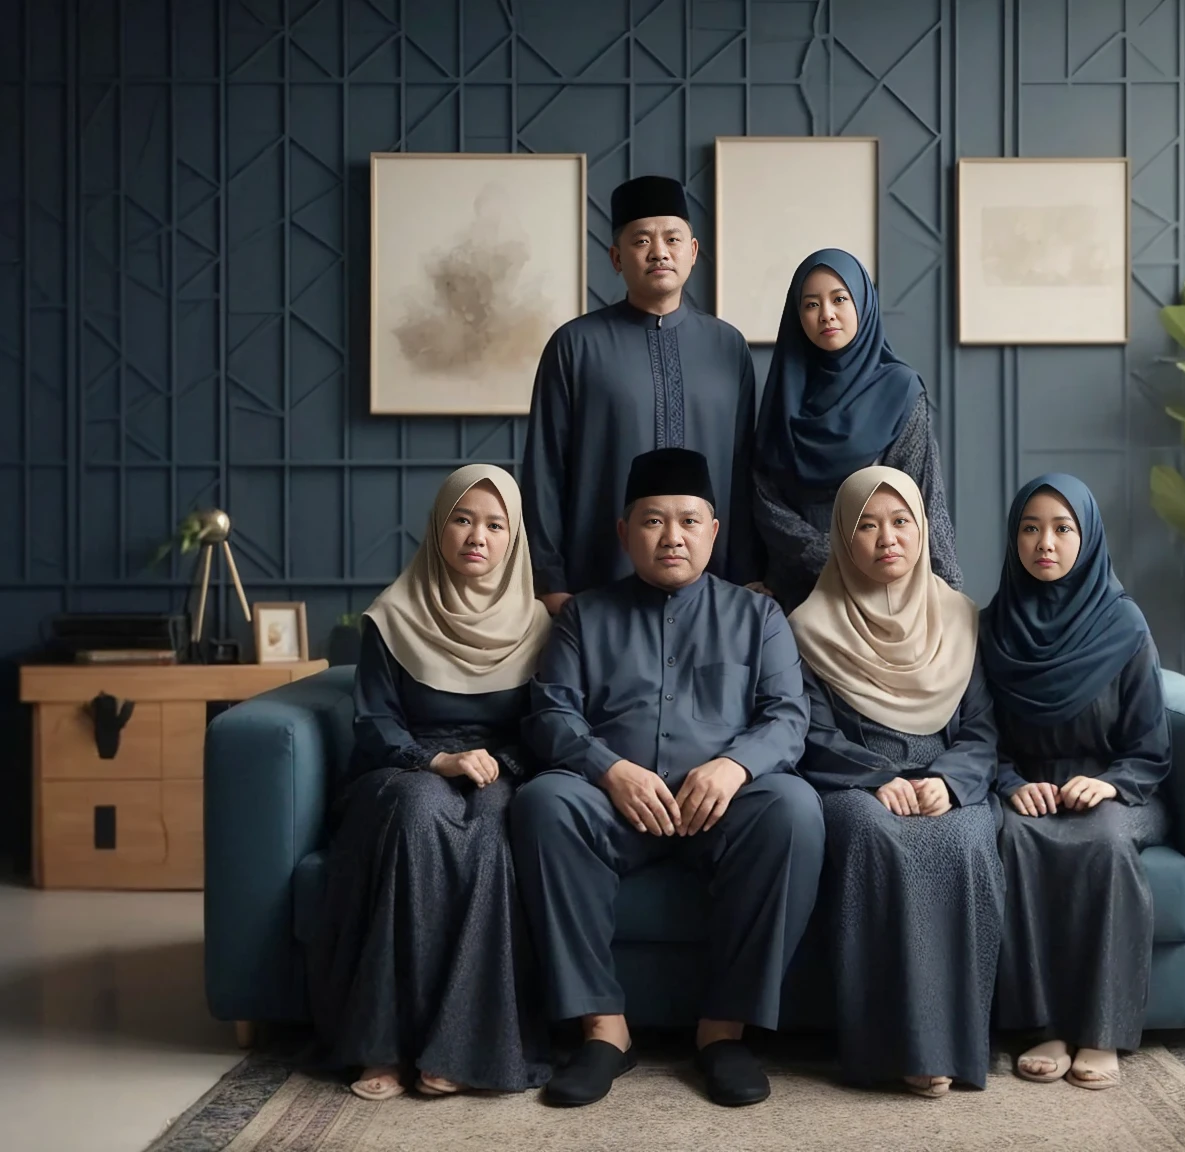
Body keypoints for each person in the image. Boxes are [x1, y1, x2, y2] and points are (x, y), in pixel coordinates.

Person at [510, 448, 824, 1109]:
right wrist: (610, 769)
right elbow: (552, 714)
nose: (672, 537)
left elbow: (788, 719)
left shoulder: (758, 617)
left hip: (724, 810)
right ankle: (603, 1030)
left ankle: (724, 1033)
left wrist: (733, 766)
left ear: (714, 529)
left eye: (688, 521)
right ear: (624, 533)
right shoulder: (584, 617)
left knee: (793, 807)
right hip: (613, 806)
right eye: (653, 521)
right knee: (544, 802)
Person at [308, 465, 553, 1099]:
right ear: (437, 530)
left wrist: (498, 762)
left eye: (495, 525)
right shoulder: (392, 616)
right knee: (419, 813)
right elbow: (373, 722)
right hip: (402, 768)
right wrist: (434, 761)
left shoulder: (539, 627)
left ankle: (460, 1047)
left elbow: (545, 724)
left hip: (500, 768)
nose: (478, 536)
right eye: (462, 520)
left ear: (514, 538)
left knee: (497, 821)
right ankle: (382, 1046)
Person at [789, 466, 1004, 1098]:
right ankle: (894, 1050)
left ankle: (956, 1046)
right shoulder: (809, 626)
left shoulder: (961, 618)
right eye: (868, 525)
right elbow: (812, 733)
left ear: (922, 531)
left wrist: (952, 781)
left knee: (966, 841)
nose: (888, 538)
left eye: (902, 521)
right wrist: (878, 778)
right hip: (855, 783)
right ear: (842, 538)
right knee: (872, 839)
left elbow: (983, 727)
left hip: (946, 780)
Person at [981, 474, 1172, 1092]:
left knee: (1105, 842)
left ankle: (1102, 1030)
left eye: (1063, 529)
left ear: (1086, 538)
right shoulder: (994, 627)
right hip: (1028, 790)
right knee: (1015, 840)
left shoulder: (1124, 625)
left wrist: (1110, 784)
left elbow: (1150, 745)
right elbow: (979, 732)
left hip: (1120, 790)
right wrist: (1011, 782)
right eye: (1030, 529)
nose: (1046, 543)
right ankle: (1046, 1026)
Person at [520, 175, 762, 613]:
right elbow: (544, 471)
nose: (659, 252)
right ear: (616, 257)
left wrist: (748, 573)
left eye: (672, 238)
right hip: (595, 589)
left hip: (718, 592)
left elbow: (746, 469)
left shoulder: (728, 346)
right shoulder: (575, 345)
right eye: (642, 240)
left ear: (693, 251)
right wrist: (549, 580)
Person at [753, 248, 961, 613]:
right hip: (796, 591)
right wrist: (825, 556)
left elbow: (923, 499)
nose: (826, 314)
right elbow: (764, 496)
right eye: (811, 304)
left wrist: (951, 596)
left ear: (863, 303)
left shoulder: (899, 391)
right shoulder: (784, 392)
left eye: (839, 299)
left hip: (880, 589)